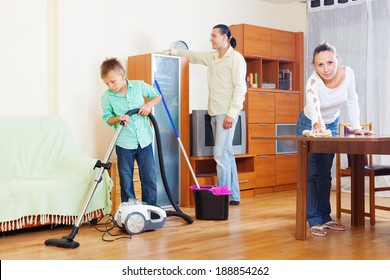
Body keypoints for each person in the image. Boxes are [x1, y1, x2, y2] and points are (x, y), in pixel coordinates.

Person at [296, 42, 375, 237]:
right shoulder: (313, 81)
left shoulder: (348, 74)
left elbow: (352, 99)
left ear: (337, 60)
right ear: (314, 66)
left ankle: (325, 216)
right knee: (311, 173)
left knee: (325, 173)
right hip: (310, 123)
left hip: (332, 123)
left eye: (330, 62)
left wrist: (356, 127)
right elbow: (313, 106)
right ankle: (313, 219)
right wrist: (318, 125)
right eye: (320, 65)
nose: (326, 69)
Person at [162, 24, 247, 205]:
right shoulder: (213, 57)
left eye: (214, 36)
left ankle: (222, 197)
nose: (211, 39)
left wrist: (232, 114)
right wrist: (172, 51)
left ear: (225, 38)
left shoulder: (236, 59)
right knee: (226, 154)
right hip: (214, 112)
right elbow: (193, 56)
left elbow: (240, 88)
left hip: (227, 113)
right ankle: (233, 196)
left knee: (220, 154)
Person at [100, 57, 162, 206]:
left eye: (112, 81)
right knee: (126, 179)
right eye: (106, 83)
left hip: (144, 140)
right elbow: (107, 118)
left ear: (122, 75)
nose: (110, 86)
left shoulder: (139, 86)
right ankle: (131, 211)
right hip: (124, 143)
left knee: (149, 177)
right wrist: (118, 118)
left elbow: (157, 96)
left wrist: (148, 106)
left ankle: (151, 210)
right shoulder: (107, 97)